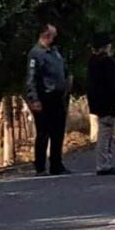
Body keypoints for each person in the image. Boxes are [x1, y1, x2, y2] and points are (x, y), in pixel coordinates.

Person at [26, 24, 71, 176]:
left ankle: (56, 164)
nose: (55, 36)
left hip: (58, 98)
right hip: (45, 98)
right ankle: (40, 167)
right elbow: (31, 78)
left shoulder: (54, 52)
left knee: (58, 132)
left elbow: (62, 70)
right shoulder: (36, 53)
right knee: (43, 132)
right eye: (52, 33)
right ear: (45, 34)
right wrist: (34, 99)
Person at [86, 33, 115, 176]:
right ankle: (103, 165)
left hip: (101, 105)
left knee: (107, 135)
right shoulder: (105, 63)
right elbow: (113, 85)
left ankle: (106, 163)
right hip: (107, 105)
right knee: (105, 135)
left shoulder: (93, 63)